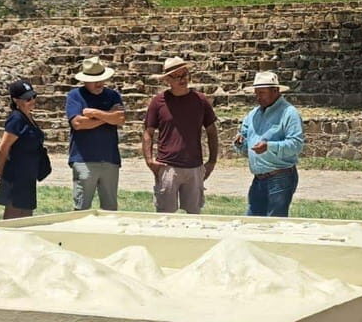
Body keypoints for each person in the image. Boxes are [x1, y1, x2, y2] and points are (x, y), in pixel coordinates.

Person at [142, 57, 218, 214]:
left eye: (185, 74)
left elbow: (212, 131)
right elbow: (148, 132)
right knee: (165, 216)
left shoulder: (200, 100)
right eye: (177, 76)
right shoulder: (158, 102)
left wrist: (212, 161)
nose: (182, 79)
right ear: (167, 80)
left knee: (194, 216)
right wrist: (149, 160)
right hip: (167, 166)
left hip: (194, 166)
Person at [234, 71, 304, 217]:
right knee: (253, 220)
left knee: (274, 221)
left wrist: (269, 146)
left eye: (262, 93)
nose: (258, 97)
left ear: (275, 91)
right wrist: (240, 143)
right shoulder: (253, 114)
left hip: (280, 177)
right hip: (258, 178)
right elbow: (245, 143)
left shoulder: (289, 113)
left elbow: (296, 145)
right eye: (256, 93)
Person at [66, 57, 125, 211]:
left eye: (101, 80)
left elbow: (120, 119)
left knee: (110, 209)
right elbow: (78, 124)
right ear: (85, 81)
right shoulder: (74, 95)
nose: (99, 84)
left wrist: (94, 113)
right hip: (83, 160)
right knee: (82, 208)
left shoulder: (113, 95)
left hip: (110, 159)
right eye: (94, 81)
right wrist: (108, 116)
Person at [0, 80, 46, 219]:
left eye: (33, 97)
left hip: (28, 173)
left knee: (26, 214)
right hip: (16, 173)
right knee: (14, 214)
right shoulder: (16, 119)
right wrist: (1, 170)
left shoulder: (28, 116)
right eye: (27, 99)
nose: (32, 101)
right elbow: (3, 148)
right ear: (16, 100)